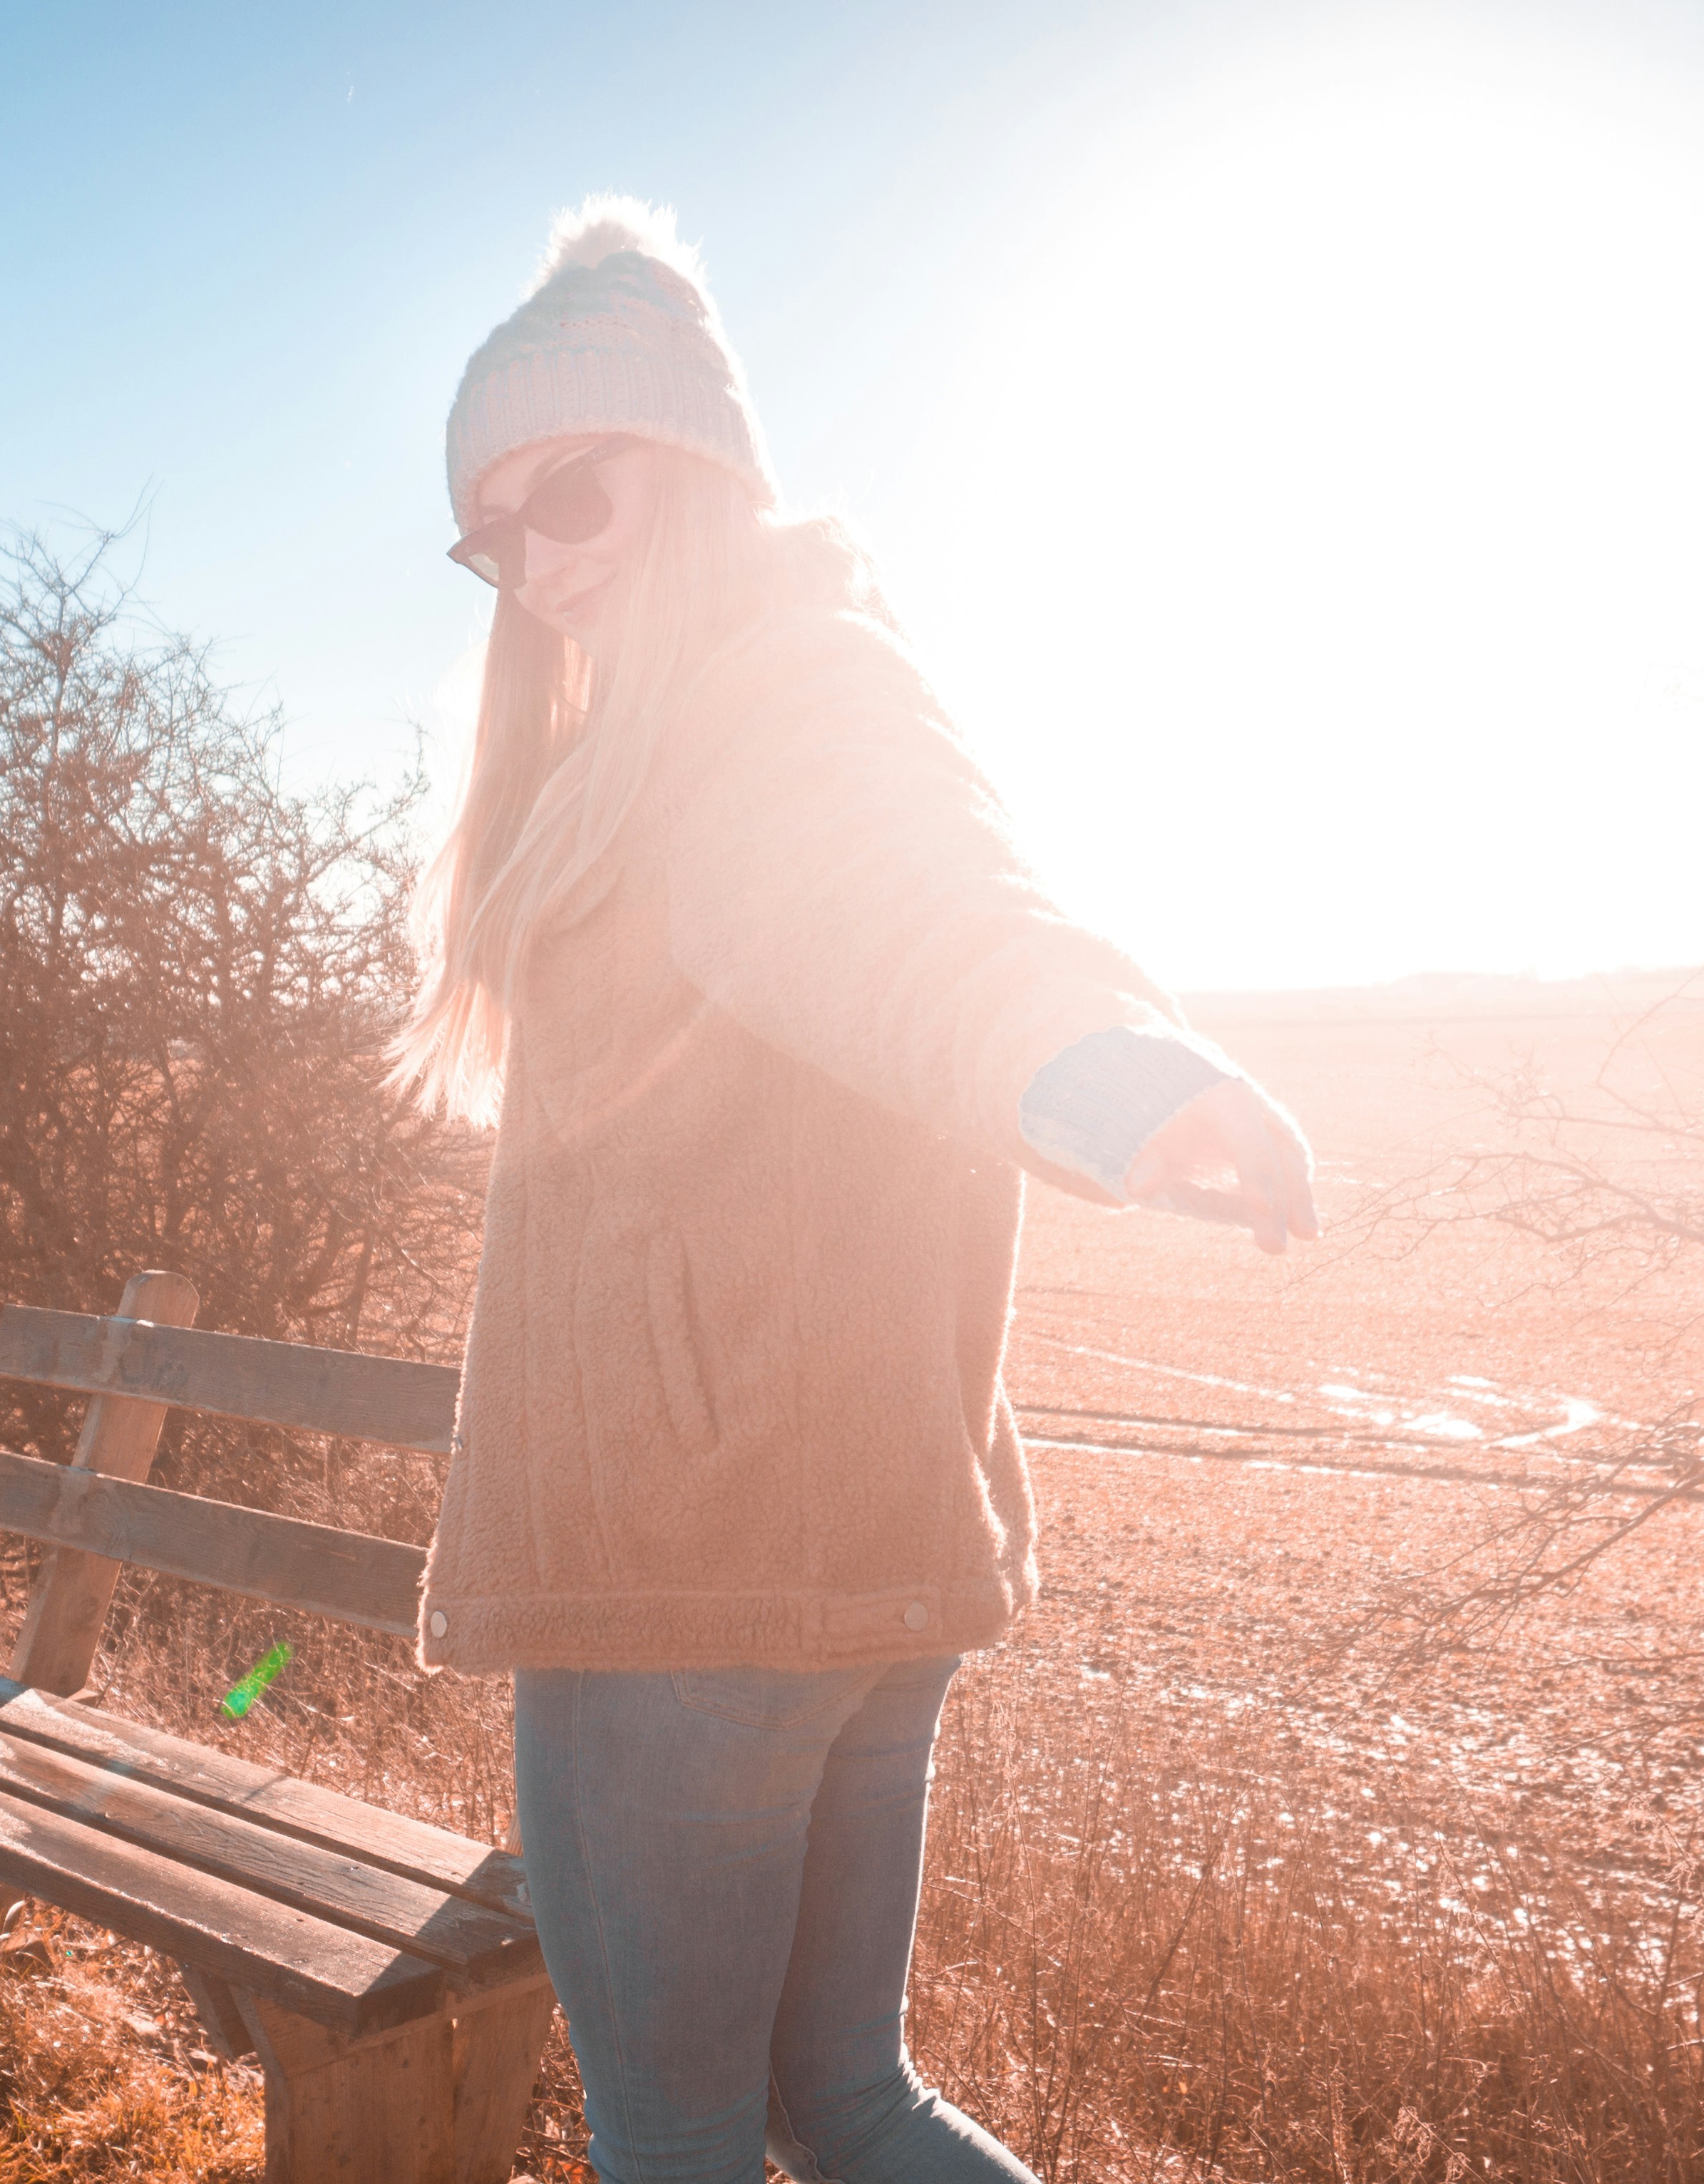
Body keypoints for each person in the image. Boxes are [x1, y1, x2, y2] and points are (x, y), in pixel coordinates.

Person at [391, 197, 1320, 2184]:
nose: (538, 566)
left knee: (684, 2144)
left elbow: (924, 921)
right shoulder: (762, 695)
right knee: (846, 2109)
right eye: (496, 531)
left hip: (693, 1570)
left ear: (703, 465)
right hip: (835, 1551)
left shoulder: (761, 705)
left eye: (578, 494)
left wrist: (1102, 1071)